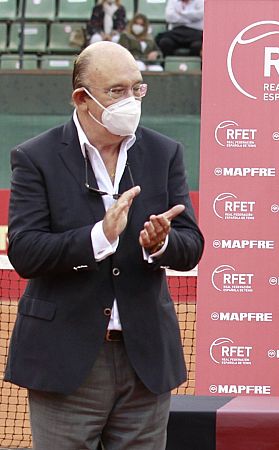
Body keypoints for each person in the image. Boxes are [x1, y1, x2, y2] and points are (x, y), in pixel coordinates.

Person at [4, 41, 204, 449]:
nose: (130, 100)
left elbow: (192, 244)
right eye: (116, 91)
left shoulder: (164, 153)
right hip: (64, 361)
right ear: (82, 98)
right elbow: (24, 251)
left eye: (137, 88)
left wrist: (160, 245)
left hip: (145, 362)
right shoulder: (35, 157)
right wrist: (100, 237)